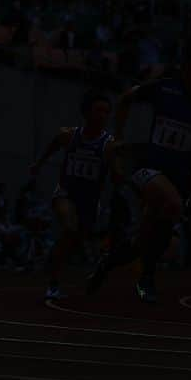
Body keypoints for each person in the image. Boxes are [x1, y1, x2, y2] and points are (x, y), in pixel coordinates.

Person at [86, 37, 191, 302]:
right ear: (187, 65)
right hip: (148, 170)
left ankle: (110, 262)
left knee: (145, 241)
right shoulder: (164, 88)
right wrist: (118, 137)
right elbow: (126, 98)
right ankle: (146, 279)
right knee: (172, 204)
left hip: (179, 178)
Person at [30, 89, 118, 299]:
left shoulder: (109, 145)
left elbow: (117, 175)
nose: (103, 115)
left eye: (107, 111)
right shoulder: (68, 135)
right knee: (70, 228)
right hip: (66, 193)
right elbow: (53, 145)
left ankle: (53, 258)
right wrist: (39, 163)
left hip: (90, 201)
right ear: (86, 112)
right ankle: (52, 283)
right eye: (98, 110)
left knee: (76, 239)